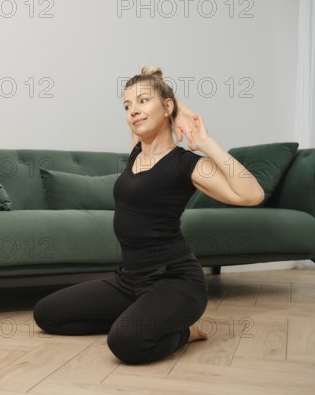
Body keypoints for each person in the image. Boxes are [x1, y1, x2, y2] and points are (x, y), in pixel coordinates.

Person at [33, 66, 264, 365]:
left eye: (143, 101)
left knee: (125, 343)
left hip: (175, 282)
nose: (133, 111)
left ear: (166, 107)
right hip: (128, 281)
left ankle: (185, 332)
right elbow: (144, 119)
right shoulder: (137, 155)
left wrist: (204, 141)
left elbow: (252, 194)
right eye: (127, 106)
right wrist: (157, 81)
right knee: (47, 314)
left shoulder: (187, 164)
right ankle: (139, 317)